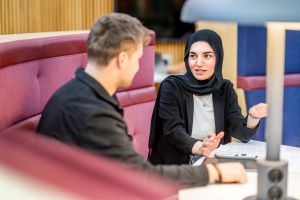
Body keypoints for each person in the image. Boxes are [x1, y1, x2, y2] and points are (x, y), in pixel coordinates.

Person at [37, 13, 247, 186]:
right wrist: (215, 173)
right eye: (138, 59)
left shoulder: (77, 94)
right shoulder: (92, 112)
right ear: (122, 59)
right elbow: (141, 176)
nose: (138, 67)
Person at [148, 29, 267, 165]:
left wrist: (253, 117)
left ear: (218, 58)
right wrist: (201, 148)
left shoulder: (225, 89)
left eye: (207, 56)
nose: (199, 63)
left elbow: (241, 133)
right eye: (193, 56)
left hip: (212, 158)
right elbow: (173, 132)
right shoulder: (172, 86)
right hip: (180, 163)